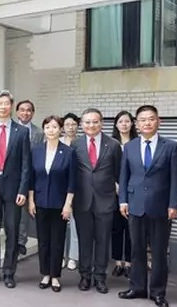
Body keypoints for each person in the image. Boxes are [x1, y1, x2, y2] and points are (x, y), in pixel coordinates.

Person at [118, 105, 177, 307]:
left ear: (159, 121)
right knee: (136, 250)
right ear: (137, 124)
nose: (147, 123)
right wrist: (123, 200)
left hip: (161, 208)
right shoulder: (129, 147)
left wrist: (174, 204)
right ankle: (137, 288)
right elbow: (124, 175)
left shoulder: (171, 146)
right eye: (143, 119)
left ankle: (157, 292)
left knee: (159, 252)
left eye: (151, 119)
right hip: (135, 205)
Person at [0, 90, 31, 289]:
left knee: (12, 231)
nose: (3, 107)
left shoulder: (22, 131)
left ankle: (9, 271)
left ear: (11, 107)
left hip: (13, 190)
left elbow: (26, 164)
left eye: (6, 103)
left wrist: (23, 190)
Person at [71, 108, 121, 294]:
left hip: (105, 201)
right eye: (87, 122)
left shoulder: (113, 145)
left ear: (101, 123)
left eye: (95, 121)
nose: (91, 125)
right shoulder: (75, 145)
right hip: (82, 201)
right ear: (82, 124)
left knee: (102, 241)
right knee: (84, 241)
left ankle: (100, 277)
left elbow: (118, 174)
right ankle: (85, 276)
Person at [28, 115, 77, 293]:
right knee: (43, 241)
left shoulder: (68, 151)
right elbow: (32, 179)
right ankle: (45, 274)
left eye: (55, 127)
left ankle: (55, 275)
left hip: (59, 203)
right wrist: (31, 201)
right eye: (47, 127)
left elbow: (72, 181)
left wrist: (68, 204)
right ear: (44, 129)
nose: (51, 130)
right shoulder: (37, 150)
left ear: (60, 129)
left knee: (57, 241)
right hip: (40, 202)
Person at [111, 110, 138, 279]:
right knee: (116, 228)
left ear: (132, 124)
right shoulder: (111, 144)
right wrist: (115, 186)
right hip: (113, 192)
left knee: (130, 229)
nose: (124, 124)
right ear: (116, 124)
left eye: (127, 121)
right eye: (121, 121)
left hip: (132, 192)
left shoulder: (137, 143)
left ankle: (128, 263)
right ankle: (117, 262)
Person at [16, 99, 44, 256]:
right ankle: (15, 238)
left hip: (31, 175)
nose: (25, 113)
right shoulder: (11, 129)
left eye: (28, 110)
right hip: (13, 176)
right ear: (17, 112)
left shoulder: (39, 133)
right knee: (14, 210)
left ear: (32, 113)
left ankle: (21, 240)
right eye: (22, 109)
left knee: (26, 209)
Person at [60, 112, 80, 271]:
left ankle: (73, 257)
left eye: (73, 124)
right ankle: (59, 255)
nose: (71, 127)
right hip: (59, 189)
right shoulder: (57, 142)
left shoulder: (81, 143)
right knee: (59, 226)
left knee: (75, 225)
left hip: (78, 189)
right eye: (67, 124)